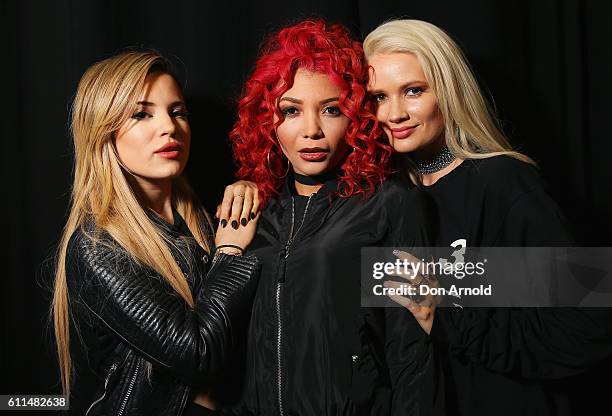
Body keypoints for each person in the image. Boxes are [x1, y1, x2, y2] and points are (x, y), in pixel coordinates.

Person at [363, 19, 612, 416]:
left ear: (447, 90)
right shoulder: (380, 195)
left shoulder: (502, 181)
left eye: (413, 91)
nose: (394, 113)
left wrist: (447, 318)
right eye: (378, 97)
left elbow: (591, 323)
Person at [220, 20, 438, 416]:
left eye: (332, 110)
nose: (312, 131)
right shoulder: (253, 209)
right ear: (267, 119)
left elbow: (409, 351)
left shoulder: (389, 203)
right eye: (291, 111)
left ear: (356, 116)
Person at [52, 51, 261, 416]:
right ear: (103, 130)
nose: (169, 126)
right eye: (142, 114)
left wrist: (249, 189)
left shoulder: (206, 220)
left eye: (177, 112)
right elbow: (198, 353)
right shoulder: (98, 246)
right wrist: (229, 253)